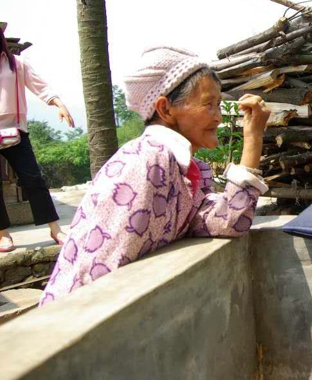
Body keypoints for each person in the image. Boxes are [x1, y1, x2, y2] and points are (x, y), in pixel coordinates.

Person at [40, 46, 271, 304]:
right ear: (165, 109)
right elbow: (102, 270)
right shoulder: (145, 162)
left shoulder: (188, 167)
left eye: (218, 105)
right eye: (208, 104)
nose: (218, 117)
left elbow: (227, 223)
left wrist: (253, 139)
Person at [0, 26, 75, 252]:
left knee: (34, 180)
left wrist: (59, 104)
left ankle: (55, 228)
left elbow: (40, 86)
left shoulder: (16, 64)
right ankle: (3, 235)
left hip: (16, 132)